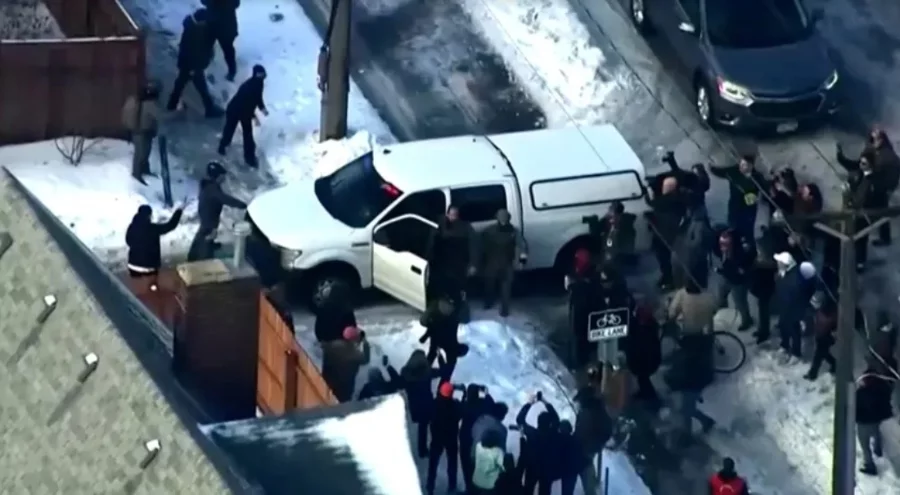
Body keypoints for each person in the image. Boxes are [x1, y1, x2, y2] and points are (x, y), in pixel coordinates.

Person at [166, 8, 223, 117]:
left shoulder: (192, 27)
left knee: (181, 83)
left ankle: (172, 104)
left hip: (188, 63)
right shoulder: (195, 32)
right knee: (201, 87)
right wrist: (194, 67)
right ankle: (210, 109)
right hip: (193, 65)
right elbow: (194, 50)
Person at [187, 161, 247, 262]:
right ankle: (201, 260)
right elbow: (225, 199)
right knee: (205, 239)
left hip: (207, 219)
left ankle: (197, 254)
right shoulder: (212, 189)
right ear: (217, 176)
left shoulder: (208, 186)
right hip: (209, 221)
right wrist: (242, 205)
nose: (224, 178)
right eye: (222, 175)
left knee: (204, 236)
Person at [426, 205, 478, 319]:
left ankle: (459, 314)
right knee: (442, 291)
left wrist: (473, 264)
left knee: (458, 291)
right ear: (447, 214)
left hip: (459, 266)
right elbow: (432, 245)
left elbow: (473, 246)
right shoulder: (439, 226)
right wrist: (430, 261)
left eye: (455, 215)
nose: (453, 217)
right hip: (443, 266)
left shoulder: (465, 227)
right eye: (451, 214)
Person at [389, 349, 443, 458]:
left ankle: (422, 451)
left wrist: (389, 367)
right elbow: (442, 371)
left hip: (415, 406)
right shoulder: (428, 372)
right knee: (431, 425)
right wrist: (440, 357)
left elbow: (398, 383)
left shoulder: (407, 374)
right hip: (428, 404)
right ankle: (433, 447)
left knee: (422, 427)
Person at [665, 329, 716, 442]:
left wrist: (673, 384)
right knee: (687, 409)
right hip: (696, 382)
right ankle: (702, 424)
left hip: (691, 384)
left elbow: (680, 372)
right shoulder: (694, 349)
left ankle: (690, 433)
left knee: (686, 410)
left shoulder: (683, 355)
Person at [838, 151, 882, 270]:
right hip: (857, 212)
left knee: (861, 238)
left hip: (865, 214)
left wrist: (851, 196)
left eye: (864, 163)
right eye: (860, 162)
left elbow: (864, 199)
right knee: (856, 237)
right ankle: (856, 258)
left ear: (870, 165)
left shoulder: (872, 180)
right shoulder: (860, 174)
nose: (860, 165)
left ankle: (860, 262)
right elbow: (855, 187)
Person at [218, 64, 268, 168]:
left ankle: (246, 156)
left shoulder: (259, 83)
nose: (262, 76)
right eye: (260, 74)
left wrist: (262, 108)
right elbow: (246, 103)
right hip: (236, 110)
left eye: (262, 74)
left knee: (244, 134)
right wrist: (254, 116)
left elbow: (258, 98)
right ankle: (248, 158)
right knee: (237, 132)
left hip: (244, 110)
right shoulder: (249, 86)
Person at [481, 208, 527, 317]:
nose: (503, 219)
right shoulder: (489, 231)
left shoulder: (513, 231)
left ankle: (504, 309)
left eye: (505, 217)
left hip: (507, 262)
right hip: (492, 261)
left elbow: (522, 246)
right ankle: (489, 302)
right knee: (489, 284)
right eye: (501, 217)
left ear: (508, 218)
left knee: (506, 287)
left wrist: (522, 260)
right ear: (497, 218)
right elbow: (481, 245)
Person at [709, 155, 766, 242]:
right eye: (742, 165)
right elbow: (720, 173)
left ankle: (748, 242)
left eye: (746, 165)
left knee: (747, 230)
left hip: (749, 210)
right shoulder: (733, 172)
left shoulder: (756, 177)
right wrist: (711, 166)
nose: (743, 167)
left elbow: (764, 188)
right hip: (735, 208)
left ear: (751, 166)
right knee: (734, 227)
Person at [516, 392, 560, 495]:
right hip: (547, 468)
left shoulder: (532, 433)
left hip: (532, 467)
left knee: (528, 489)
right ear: (550, 423)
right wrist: (544, 401)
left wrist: (529, 404)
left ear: (538, 421)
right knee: (545, 491)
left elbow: (520, 420)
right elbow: (556, 418)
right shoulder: (553, 433)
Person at [646, 176, 686, 290]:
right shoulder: (679, 200)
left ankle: (669, 279)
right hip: (670, 234)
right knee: (667, 259)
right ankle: (669, 277)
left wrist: (648, 194)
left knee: (665, 259)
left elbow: (652, 203)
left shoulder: (664, 202)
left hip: (664, 235)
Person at [856, 359, 894, 475]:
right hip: (877, 420)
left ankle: (870, 465)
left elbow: (855, 407)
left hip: (863, 422)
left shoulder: (861, 393)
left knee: (865, 445)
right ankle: (878, 450)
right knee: (876, 433)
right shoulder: (883, 389)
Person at [774, 253, 815, 360]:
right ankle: (784, 345)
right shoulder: (783, 272)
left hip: (793, 309)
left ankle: (796, 353)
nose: (777, 264)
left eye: (779, 262)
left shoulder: (795, 277)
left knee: (794, 331)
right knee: (783, 327)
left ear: (785, 264)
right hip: (784, 307)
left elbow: (802, 293)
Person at [573, 383, 612, 495]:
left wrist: (593, 443)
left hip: (587, 448)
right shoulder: (593, 409)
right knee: (587, 469)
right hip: (587, 446)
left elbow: (583, 431)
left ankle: (591, 491)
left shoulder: (591, 411)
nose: (579, 404)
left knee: (586, 471)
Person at [713, 229, 755, 331]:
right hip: (727, 277)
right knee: (721, 296)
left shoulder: (740, 254)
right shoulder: (724, 249)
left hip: (738, 281)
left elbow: (734, 268)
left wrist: (719, 270)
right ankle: (723, 314)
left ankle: (746, 320)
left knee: (740, 302)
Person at [121, 79, 162, 184]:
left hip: (137, 130)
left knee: (144, 152)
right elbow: (162, 116)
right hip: (143, 131)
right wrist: (178, 112)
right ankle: (136, 173)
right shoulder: (151, 104)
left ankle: (144, 170)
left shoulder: (135, 100)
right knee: (141, 153)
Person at [125, 204, 183, 278]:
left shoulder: (132, 227)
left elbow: (128, 241)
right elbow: (170, 225)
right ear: (149, 216)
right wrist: (178, 212)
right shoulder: (153, 228)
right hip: (149, 268)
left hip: (132, 266)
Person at [426, 381, 463, 494]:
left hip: (436, 438)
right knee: (452, 464)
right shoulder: (455, 405)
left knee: (433, 464)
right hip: (451, 438)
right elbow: (461, 413)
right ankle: (452, 487)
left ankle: (430, 486)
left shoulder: (433, 404)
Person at [419, 293, 466, 380]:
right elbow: (465, 319)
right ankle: (444, 384)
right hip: (450, 340)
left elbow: (423, 321)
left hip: (436, 337)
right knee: (451, 363)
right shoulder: (457, 307)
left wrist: (430, 325)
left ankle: (422, 377)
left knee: (431, 355)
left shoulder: (435, 305)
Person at [623, 304, 662, 406]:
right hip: (650, 359)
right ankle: (647, 394)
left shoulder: (637, 328)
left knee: (643, 378)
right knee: (643, 378)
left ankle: (651, 399)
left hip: (641, 360)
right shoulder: (652, 326)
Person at [321, 326, 370, 402]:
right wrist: (366, 344)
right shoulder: (355, 354)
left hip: (327, 383)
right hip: (345, 389)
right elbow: (366, 360)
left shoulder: (331, 345)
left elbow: (323, 345)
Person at [566, 248, 596, 369]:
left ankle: (582, 361)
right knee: (579, 339)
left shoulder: (589, 276)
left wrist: (573, 287)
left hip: (584, 314)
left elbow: (585, 290)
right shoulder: (576, 272)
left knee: (582, 340)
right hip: (580, 312)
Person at [460, 384, 493, 490]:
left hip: (465, 438)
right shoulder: (482, 404)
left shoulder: (465, 405)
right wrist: (487, 393)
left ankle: (469, 488)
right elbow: (491, 405)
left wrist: (464, 396)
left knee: (466, 465)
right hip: (478, 438)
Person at [201, 0, 240, 81]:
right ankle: (204, 64)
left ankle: (232, 71)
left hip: (224, 26)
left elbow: (236, 4)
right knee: (207, 46)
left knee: (228, 51)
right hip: (216, 25)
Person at [749, 241, 777, 345]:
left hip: (765, 290)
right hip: (762, 289)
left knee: (764, 312)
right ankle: (762, 329)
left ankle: (764, 332)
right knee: (762, 311)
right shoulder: (763, 261)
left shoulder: (766, 263)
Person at [805, 294, 837, 380]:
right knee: (824, 353)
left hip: (826, 336)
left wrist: (833, 333)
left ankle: (812, 374)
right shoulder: (821, 310)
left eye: (815, 304)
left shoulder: (829, 312)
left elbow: (833, 324)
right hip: (820, 334)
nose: (813, 306)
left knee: (818, 356)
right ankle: (835, 364)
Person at [471, 427, 506, 494]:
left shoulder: (478, 446)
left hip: (476, 480)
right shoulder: (498, 451)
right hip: (490, 484)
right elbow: (501, 467)